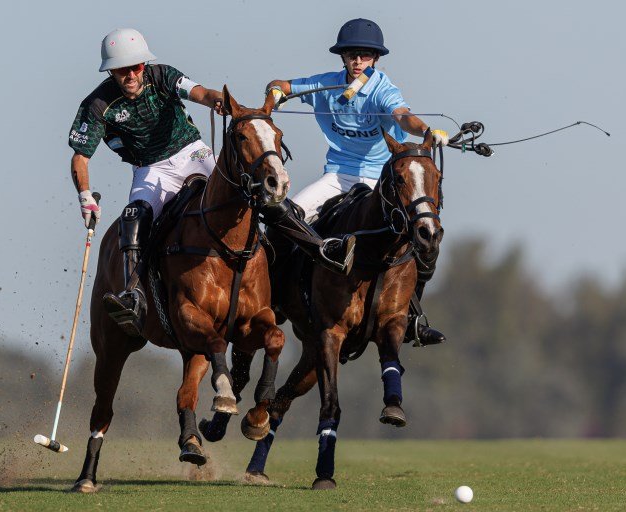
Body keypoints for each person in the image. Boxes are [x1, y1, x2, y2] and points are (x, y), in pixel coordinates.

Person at [68, 28, 355, 338]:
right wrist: (85, 195)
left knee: (256, 190)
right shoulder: (98, 104)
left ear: (144, 65)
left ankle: (320, 248)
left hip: (193, 153)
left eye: (135, 67)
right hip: (151, 170)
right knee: (133, 217)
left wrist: (221, 101)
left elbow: (200, 92)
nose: (130, 75)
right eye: (121, 70)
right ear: (111, 72)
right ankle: (134, 295)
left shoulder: (162, 75)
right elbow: (80, 158)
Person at [264, 18, 447, 345]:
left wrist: (428, 131)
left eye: (365, 55)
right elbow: (284, 85)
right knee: (281, 217)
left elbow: (403, 116)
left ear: (375, 59)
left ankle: (414, 318)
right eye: (352, 55)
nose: (358, 61)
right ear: (343, 58)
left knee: (420, 236)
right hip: (338, 175)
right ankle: (274, 294)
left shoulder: (383, 90)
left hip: (382, 181)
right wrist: (276, 91)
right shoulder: (328, 85)